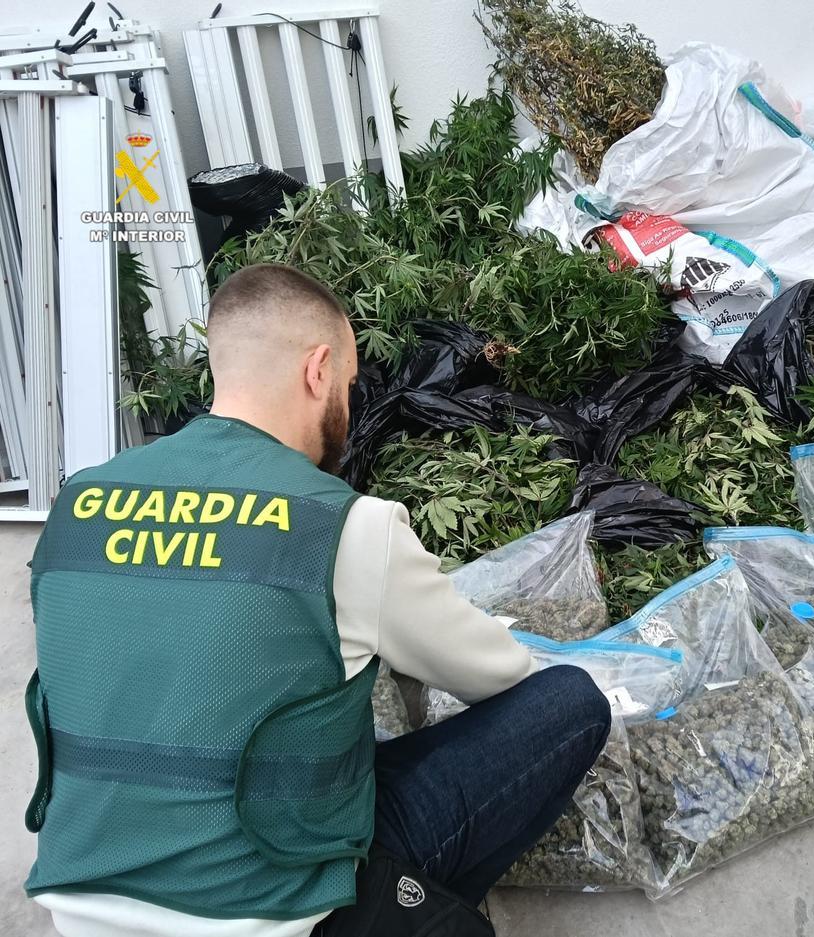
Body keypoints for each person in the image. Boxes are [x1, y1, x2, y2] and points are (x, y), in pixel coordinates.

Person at [23, 263, 612, 937]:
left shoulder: (76, 504)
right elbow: (496, 676)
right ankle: (407, 909)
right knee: (567, 703)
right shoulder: (344, 526)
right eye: (353, 383)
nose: (351, 401)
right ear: (319, 370)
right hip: (266, 908)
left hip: (79, 901)